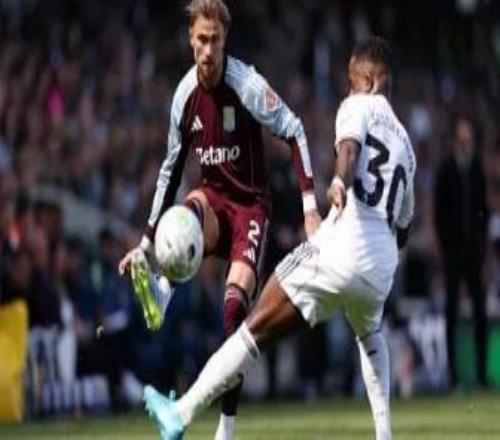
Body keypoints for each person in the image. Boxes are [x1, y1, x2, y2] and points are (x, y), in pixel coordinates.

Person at [142, 36, 416, 440]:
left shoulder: (357, 106)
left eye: (352, 80)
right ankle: (385, 434)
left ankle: (180, 413)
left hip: (343, 247)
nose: (348, 88)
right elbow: (404, 226)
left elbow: (349, 150)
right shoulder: (407, 145)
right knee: (370, 334)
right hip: (382, 265)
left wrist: (338, 182)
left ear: (371, 81)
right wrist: (377, 258)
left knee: (252, 328)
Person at [118, 0, 321, 438]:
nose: (208, 50)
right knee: (184, 215)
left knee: (233, 314)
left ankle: (226, 428)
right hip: (212, 202)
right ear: (190, 40)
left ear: (225, 40)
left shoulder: (246, 85)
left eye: (215, 40)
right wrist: (145, 243)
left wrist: (310, 208)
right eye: (201, 40)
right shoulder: (184, 96)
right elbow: (170, 169)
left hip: (250, 207)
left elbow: (295, 129)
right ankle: (164, 287)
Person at [434, 115, 488, 388]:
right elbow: (439, 213)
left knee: (480, 311)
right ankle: (453, 376)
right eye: (463, 136)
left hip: (473, 252)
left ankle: (481, 374)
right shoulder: (446, 170)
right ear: (456, 139)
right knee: (452, 313)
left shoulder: (476, 168)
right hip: (453, 252)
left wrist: (482, 246)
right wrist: (445, 247)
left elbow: (484, 211)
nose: (466, 141)